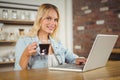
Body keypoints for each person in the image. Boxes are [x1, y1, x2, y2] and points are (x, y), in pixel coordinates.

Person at [14, 3, 86, 70]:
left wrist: (78, 59)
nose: (53, 23)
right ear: (39, 20)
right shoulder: (23, 41)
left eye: (55, 20)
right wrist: (26, 54)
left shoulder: (57, 42)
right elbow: (18, 71)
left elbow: (72, 58)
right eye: (48, 18)